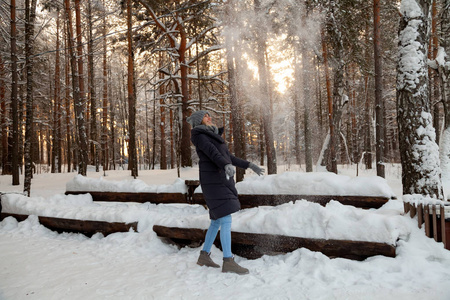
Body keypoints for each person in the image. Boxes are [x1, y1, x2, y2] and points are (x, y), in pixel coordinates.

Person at [187, 110, 264, 275]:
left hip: (220, 179)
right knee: (225, 218)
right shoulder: (200, 136)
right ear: (199, 121)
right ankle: (228, 261)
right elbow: (213, 154)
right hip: (213, 181)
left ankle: (204, 256)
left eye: (209, 115)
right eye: (205, 116)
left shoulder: (213, 135)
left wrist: (249, 165)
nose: (209, 117)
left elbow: (229, 157)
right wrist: (224, 165)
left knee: (216, 220)